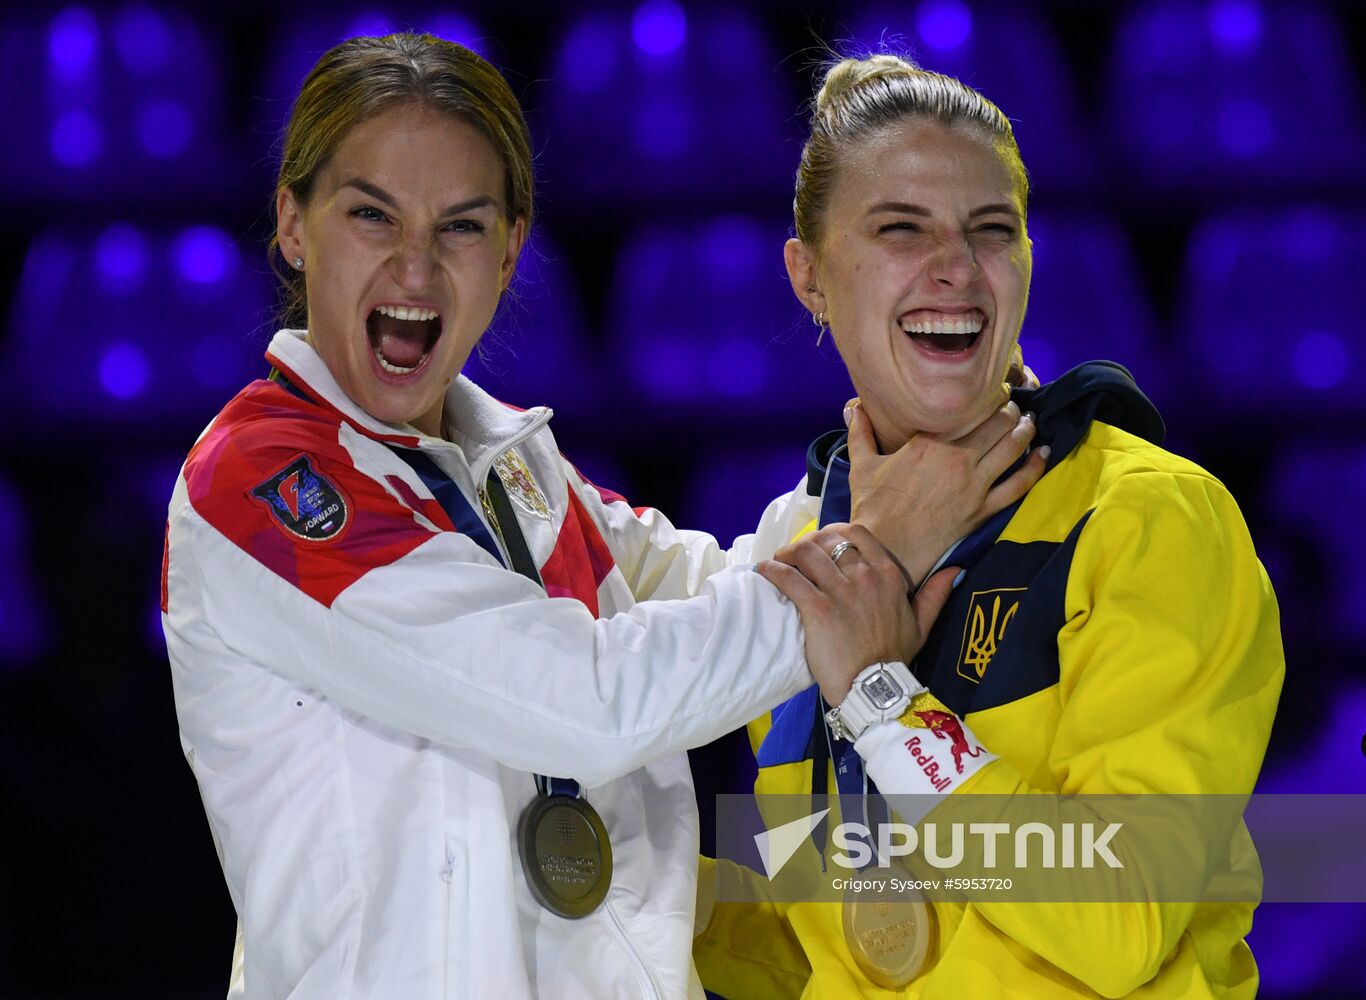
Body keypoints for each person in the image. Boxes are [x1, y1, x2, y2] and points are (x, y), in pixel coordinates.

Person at [160, 35, 1044, 999]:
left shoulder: (518, 470)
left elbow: (724, 584)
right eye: (373, 215)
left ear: (509, 251)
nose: (415, 271)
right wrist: (883, 545)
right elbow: (583, 704)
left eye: (460, 226)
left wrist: (904, 456)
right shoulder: (260, 482)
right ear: (294, 225)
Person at [692, 54, 1285, 998]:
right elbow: (830, 942)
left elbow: (1118, 916)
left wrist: (883, 702)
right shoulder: (803, 547)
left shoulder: (1145, 518)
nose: (958, 270)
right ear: (807, 273)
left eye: (991, 230)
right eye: (900, 228)